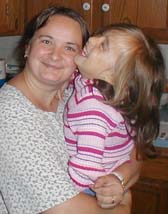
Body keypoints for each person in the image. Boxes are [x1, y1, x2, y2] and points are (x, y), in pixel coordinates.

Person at [0, 7, 140, 214]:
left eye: (70, 48)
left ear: (81, 58)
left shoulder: (79, 93)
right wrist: (124, 204)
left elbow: (133, 153)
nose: (55, 55)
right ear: (27, 47)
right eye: (46, 41)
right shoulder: (9, 119)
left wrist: (119, 180)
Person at [64, 23, 165, 197]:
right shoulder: (106, 89)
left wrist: (64, 195)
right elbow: (81, 78)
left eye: (103, 46)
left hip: (89, 187)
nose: (92, 39)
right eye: (99, 35)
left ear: (114, 76)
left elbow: (86, 167)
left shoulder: (92, 109)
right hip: (114, 170)